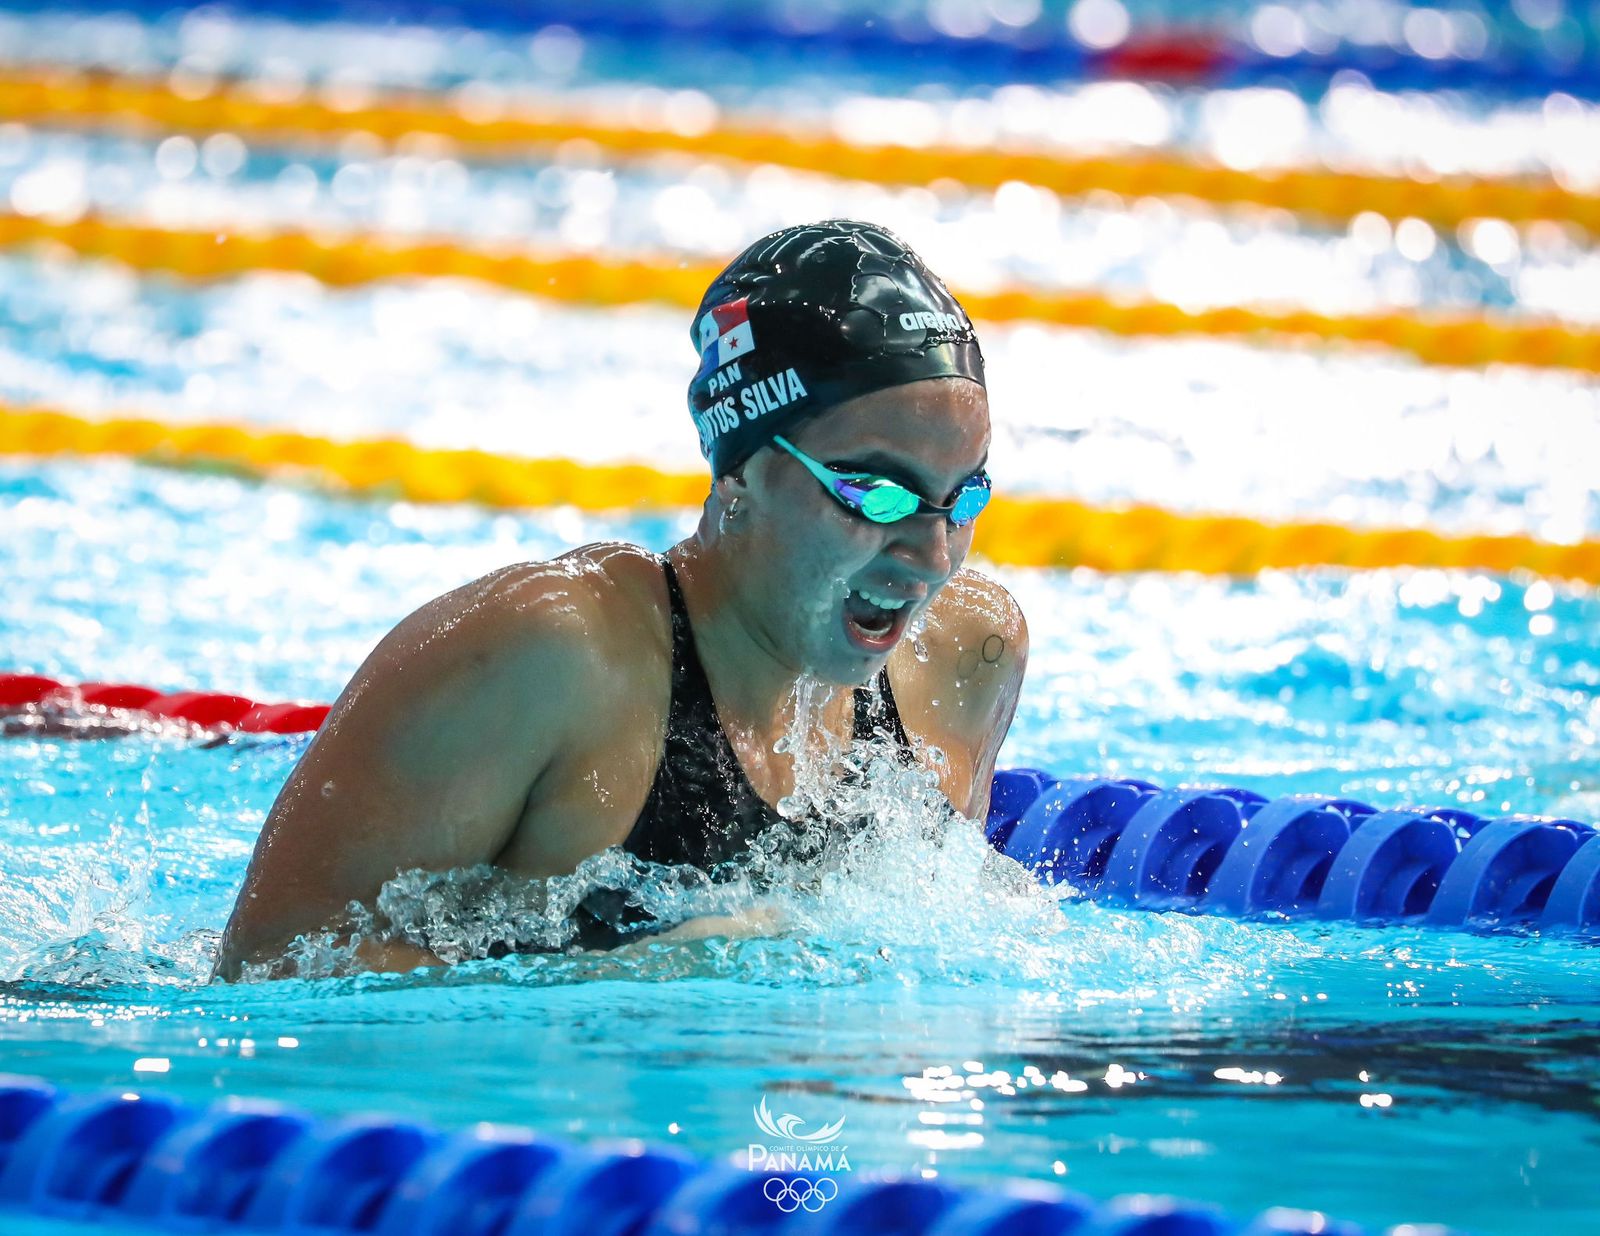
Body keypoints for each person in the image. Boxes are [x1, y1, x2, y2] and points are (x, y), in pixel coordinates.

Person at [214, 220, 1028, 979]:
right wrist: (633, 976)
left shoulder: (965, 660)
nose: (932, 558)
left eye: (965, 498)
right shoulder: (553, 657)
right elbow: (271, 962)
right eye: (875, 495)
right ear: (742, 470)